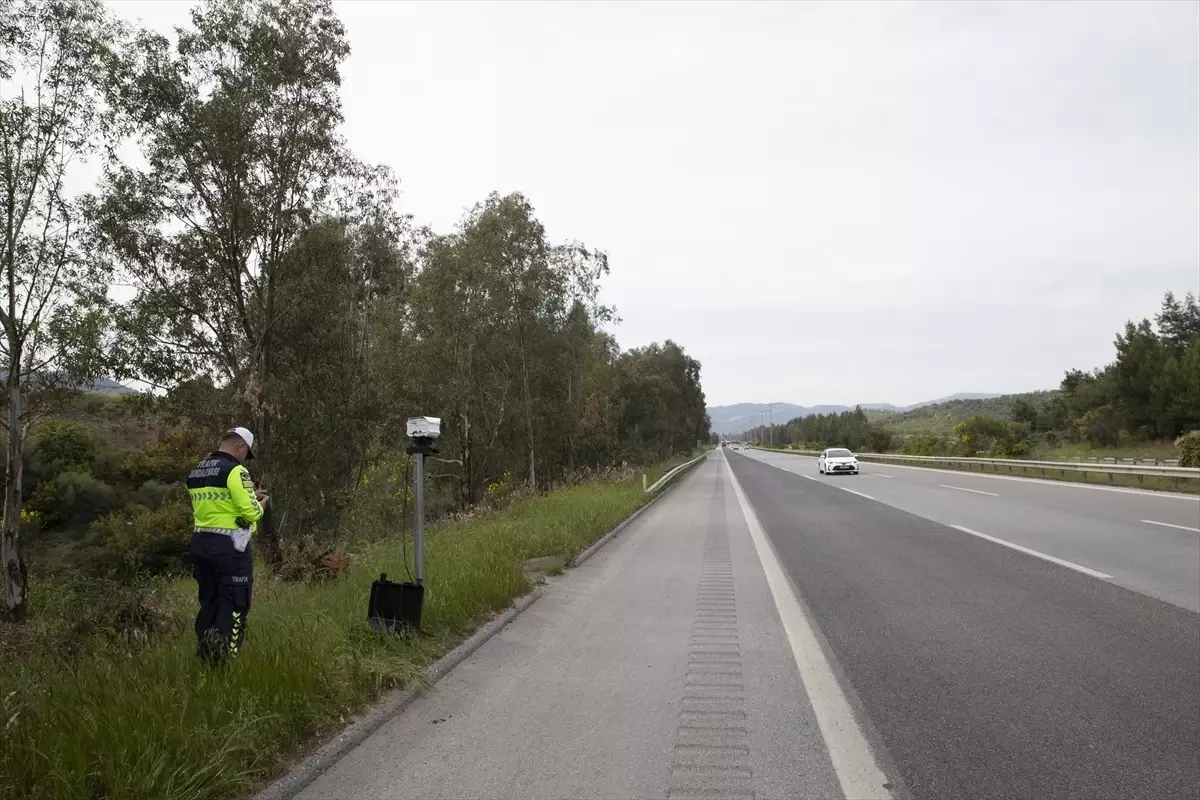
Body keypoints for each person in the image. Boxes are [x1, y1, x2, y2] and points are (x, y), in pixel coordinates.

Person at [187, 427, 268, 665]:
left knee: (209, 603)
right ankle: (225, 662)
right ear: (240, 447)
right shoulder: (236, 471)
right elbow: (250, 512)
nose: (245, 459)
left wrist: (249, 495)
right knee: (234, 605)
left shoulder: (196, 471)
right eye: (246, 454)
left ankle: (205, 657)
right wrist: (261, 503)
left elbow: (217, 503)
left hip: (201, 544)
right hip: (231, 548)